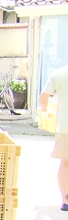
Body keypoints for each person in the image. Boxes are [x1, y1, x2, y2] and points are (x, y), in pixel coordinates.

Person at [39, 65, 68, 211]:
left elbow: (43, 98)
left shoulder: (59, 74)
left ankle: (66, 200)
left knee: (66, 163)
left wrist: (45, 112)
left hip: (65, 127)